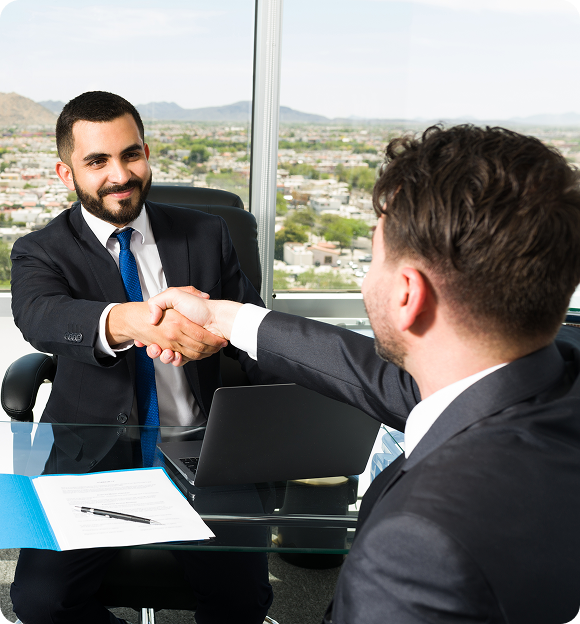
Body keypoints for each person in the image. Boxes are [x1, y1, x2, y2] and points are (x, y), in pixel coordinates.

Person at [142, 125, 580, 623]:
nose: (367, 276)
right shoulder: (555, 370)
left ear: (408, 294)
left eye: (375, 256)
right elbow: (373, 373)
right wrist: (224, 318)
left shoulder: (418, 544)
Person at [9, 91, 275, 624]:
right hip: (90, 460)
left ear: (147, 152)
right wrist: (136, 320)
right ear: (67, 172)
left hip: (200, 452)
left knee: (243, 599)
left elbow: (251, 331)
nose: (120, 175)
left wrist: (310, 384)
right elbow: (40, 316)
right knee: (40, 603)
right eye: (97, 161)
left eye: (131, 155)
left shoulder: (206, 233)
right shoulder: (41, 250)